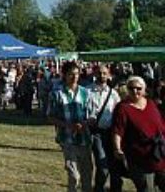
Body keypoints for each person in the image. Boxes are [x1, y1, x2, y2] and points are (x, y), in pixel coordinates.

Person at [112, 76, 165, 192]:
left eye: (138, 88)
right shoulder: (122, 108)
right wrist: (117, 148)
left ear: (144, 89)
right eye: (131, 88)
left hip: (159, 153)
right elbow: (118, 130)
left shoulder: (151, 103)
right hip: (139, 157)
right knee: (147, 189)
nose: (135, 91)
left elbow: (161, 124)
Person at [50, 61, 93, 192]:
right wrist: (67, 125)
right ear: (64, 75)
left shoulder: (86, 93)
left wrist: (84, 124)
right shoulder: (57, 94)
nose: (74, 77)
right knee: (74, 175)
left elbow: (92, 115)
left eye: (76, 74)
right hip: (67, 139)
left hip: (84, 139)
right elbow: (50, 116)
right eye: (70, 74)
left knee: (87, 176)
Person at [86, 64, 121, 192]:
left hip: (111, 133)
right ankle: (99, 189)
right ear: (95, 74)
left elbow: (118, 113)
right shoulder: (87, 91)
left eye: (105, 73)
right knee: (102, 164)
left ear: (109, 75)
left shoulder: (114, 94)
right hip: (96, 133)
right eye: (100, 73)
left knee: (113, 164)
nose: (102, 76)